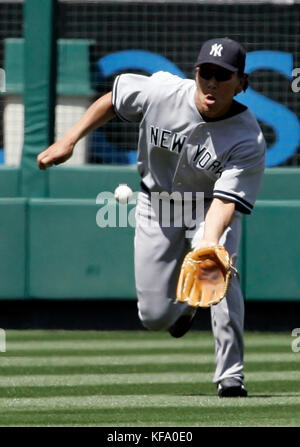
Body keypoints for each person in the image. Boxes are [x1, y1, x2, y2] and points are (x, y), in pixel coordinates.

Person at [37, 37, 266, 398]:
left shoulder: (247, 138)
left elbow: (225, 202)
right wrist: (69, 140)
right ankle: (186, 308)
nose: (212, 82)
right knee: (154, 316)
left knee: (217, 268)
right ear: (195, 73)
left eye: (223, 76)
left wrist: (208, 243)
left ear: (241, 83)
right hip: (155, 203)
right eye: (206, 72)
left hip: (208, 205)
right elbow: (113, 100)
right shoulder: (161, 91)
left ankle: (230, 377)